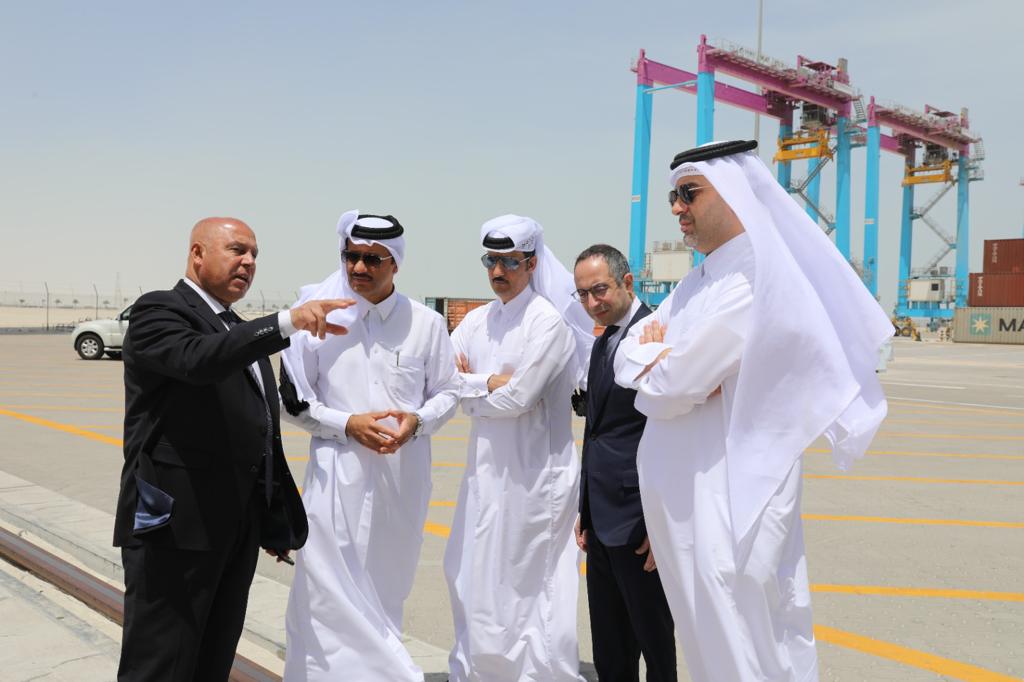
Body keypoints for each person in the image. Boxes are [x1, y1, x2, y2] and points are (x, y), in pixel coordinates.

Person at [613, 140, 892, 682]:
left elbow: (674, 380)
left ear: (737, 193)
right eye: (673, 196)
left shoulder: (756, 280)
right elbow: (630, 360)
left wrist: (663, 367)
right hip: (687, 498)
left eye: (689, 193)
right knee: (706, 634)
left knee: (748, 633)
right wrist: (662, 368)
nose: (676, 208)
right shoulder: (696, 282)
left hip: (731, 497)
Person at [114, 217, 353, 681]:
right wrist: (289, 321)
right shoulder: (160, 311)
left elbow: (261, 429)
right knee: (161, 664)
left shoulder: (235, 328)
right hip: (174, 530)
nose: (248, 262)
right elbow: (198, 361)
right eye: (237, 250)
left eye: (255, 255)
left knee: (211, 661)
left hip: (231, 531)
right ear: (197, 253)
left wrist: (266, 517)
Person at [279, 211, 459, 682]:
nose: (359, 268)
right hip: (333, 479)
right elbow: (293, 402)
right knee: (322, 595)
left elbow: (448, 391)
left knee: (384, 590)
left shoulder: (426, 323)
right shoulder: (318, 320)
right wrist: (347, 424)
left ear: (395, 264)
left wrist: (417, 421)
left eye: (372, 259)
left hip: (401, 481)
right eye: (351, 257)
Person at [444, 214, 589, 682]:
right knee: (474, 576)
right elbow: (445, 383)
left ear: (531, 262)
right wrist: (486, 382)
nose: (497, 271)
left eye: (509, 261)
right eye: (491, 260)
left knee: (532, 586)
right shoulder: (478, 320)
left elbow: (519, 398)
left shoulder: (549, 322)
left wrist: (475, 387)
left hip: (537, 480)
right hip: (485, 474)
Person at [572, 244, 676, 682]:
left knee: (653, 643)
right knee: (610, 646)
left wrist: (662, 523)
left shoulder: (659, 333)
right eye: (583, 294)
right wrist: (586, 509)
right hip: (601, 519)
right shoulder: (604, 340)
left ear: (627, 283)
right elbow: (598, 431)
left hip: (639, 523)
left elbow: (673, 433)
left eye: (599, 290)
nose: (592, 302)